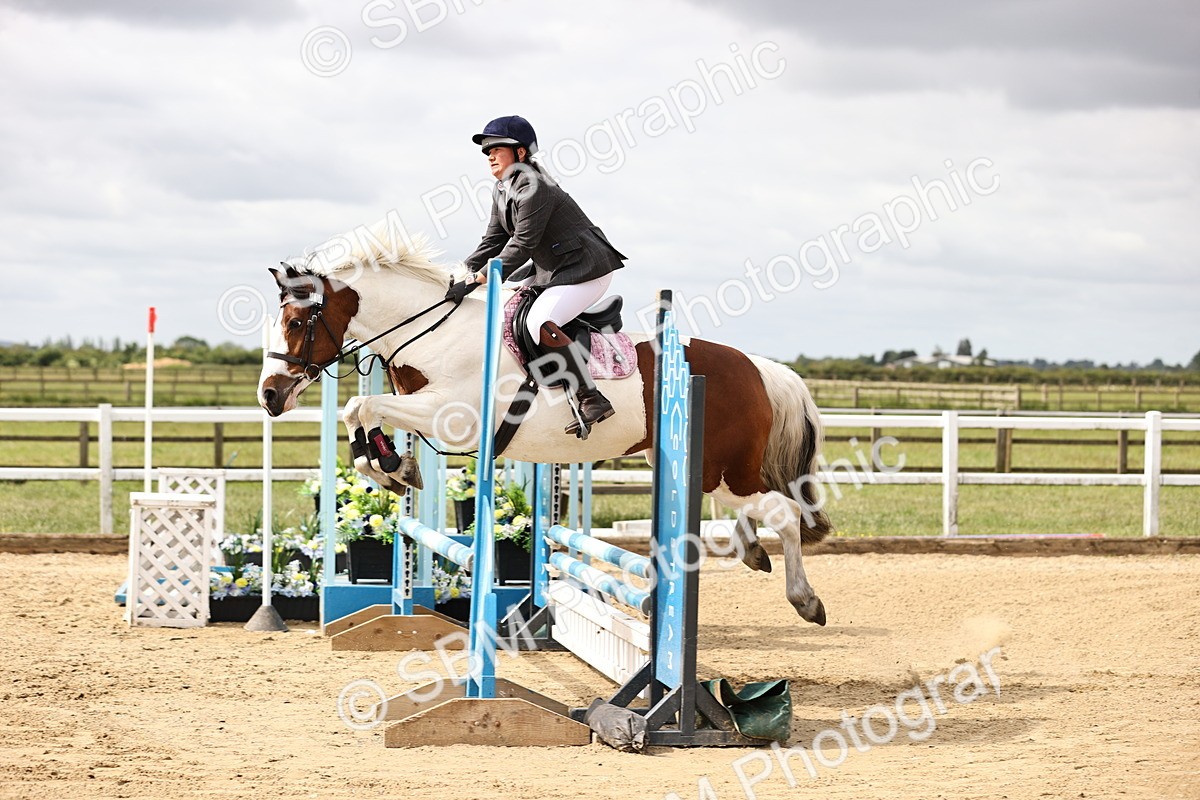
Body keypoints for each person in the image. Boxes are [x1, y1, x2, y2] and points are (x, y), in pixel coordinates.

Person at [451, 115, 626, 435]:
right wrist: (461, 272)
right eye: (486, 150)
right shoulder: (502, 189)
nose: (488, 154)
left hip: (585, 268)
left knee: (537, 322)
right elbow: (493, 241)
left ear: (520, 154)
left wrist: (483, 277)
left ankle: (590, 396)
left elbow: (523, 242)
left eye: (496, 148)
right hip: (553, 268)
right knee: (508, 311)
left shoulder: (535, 186)